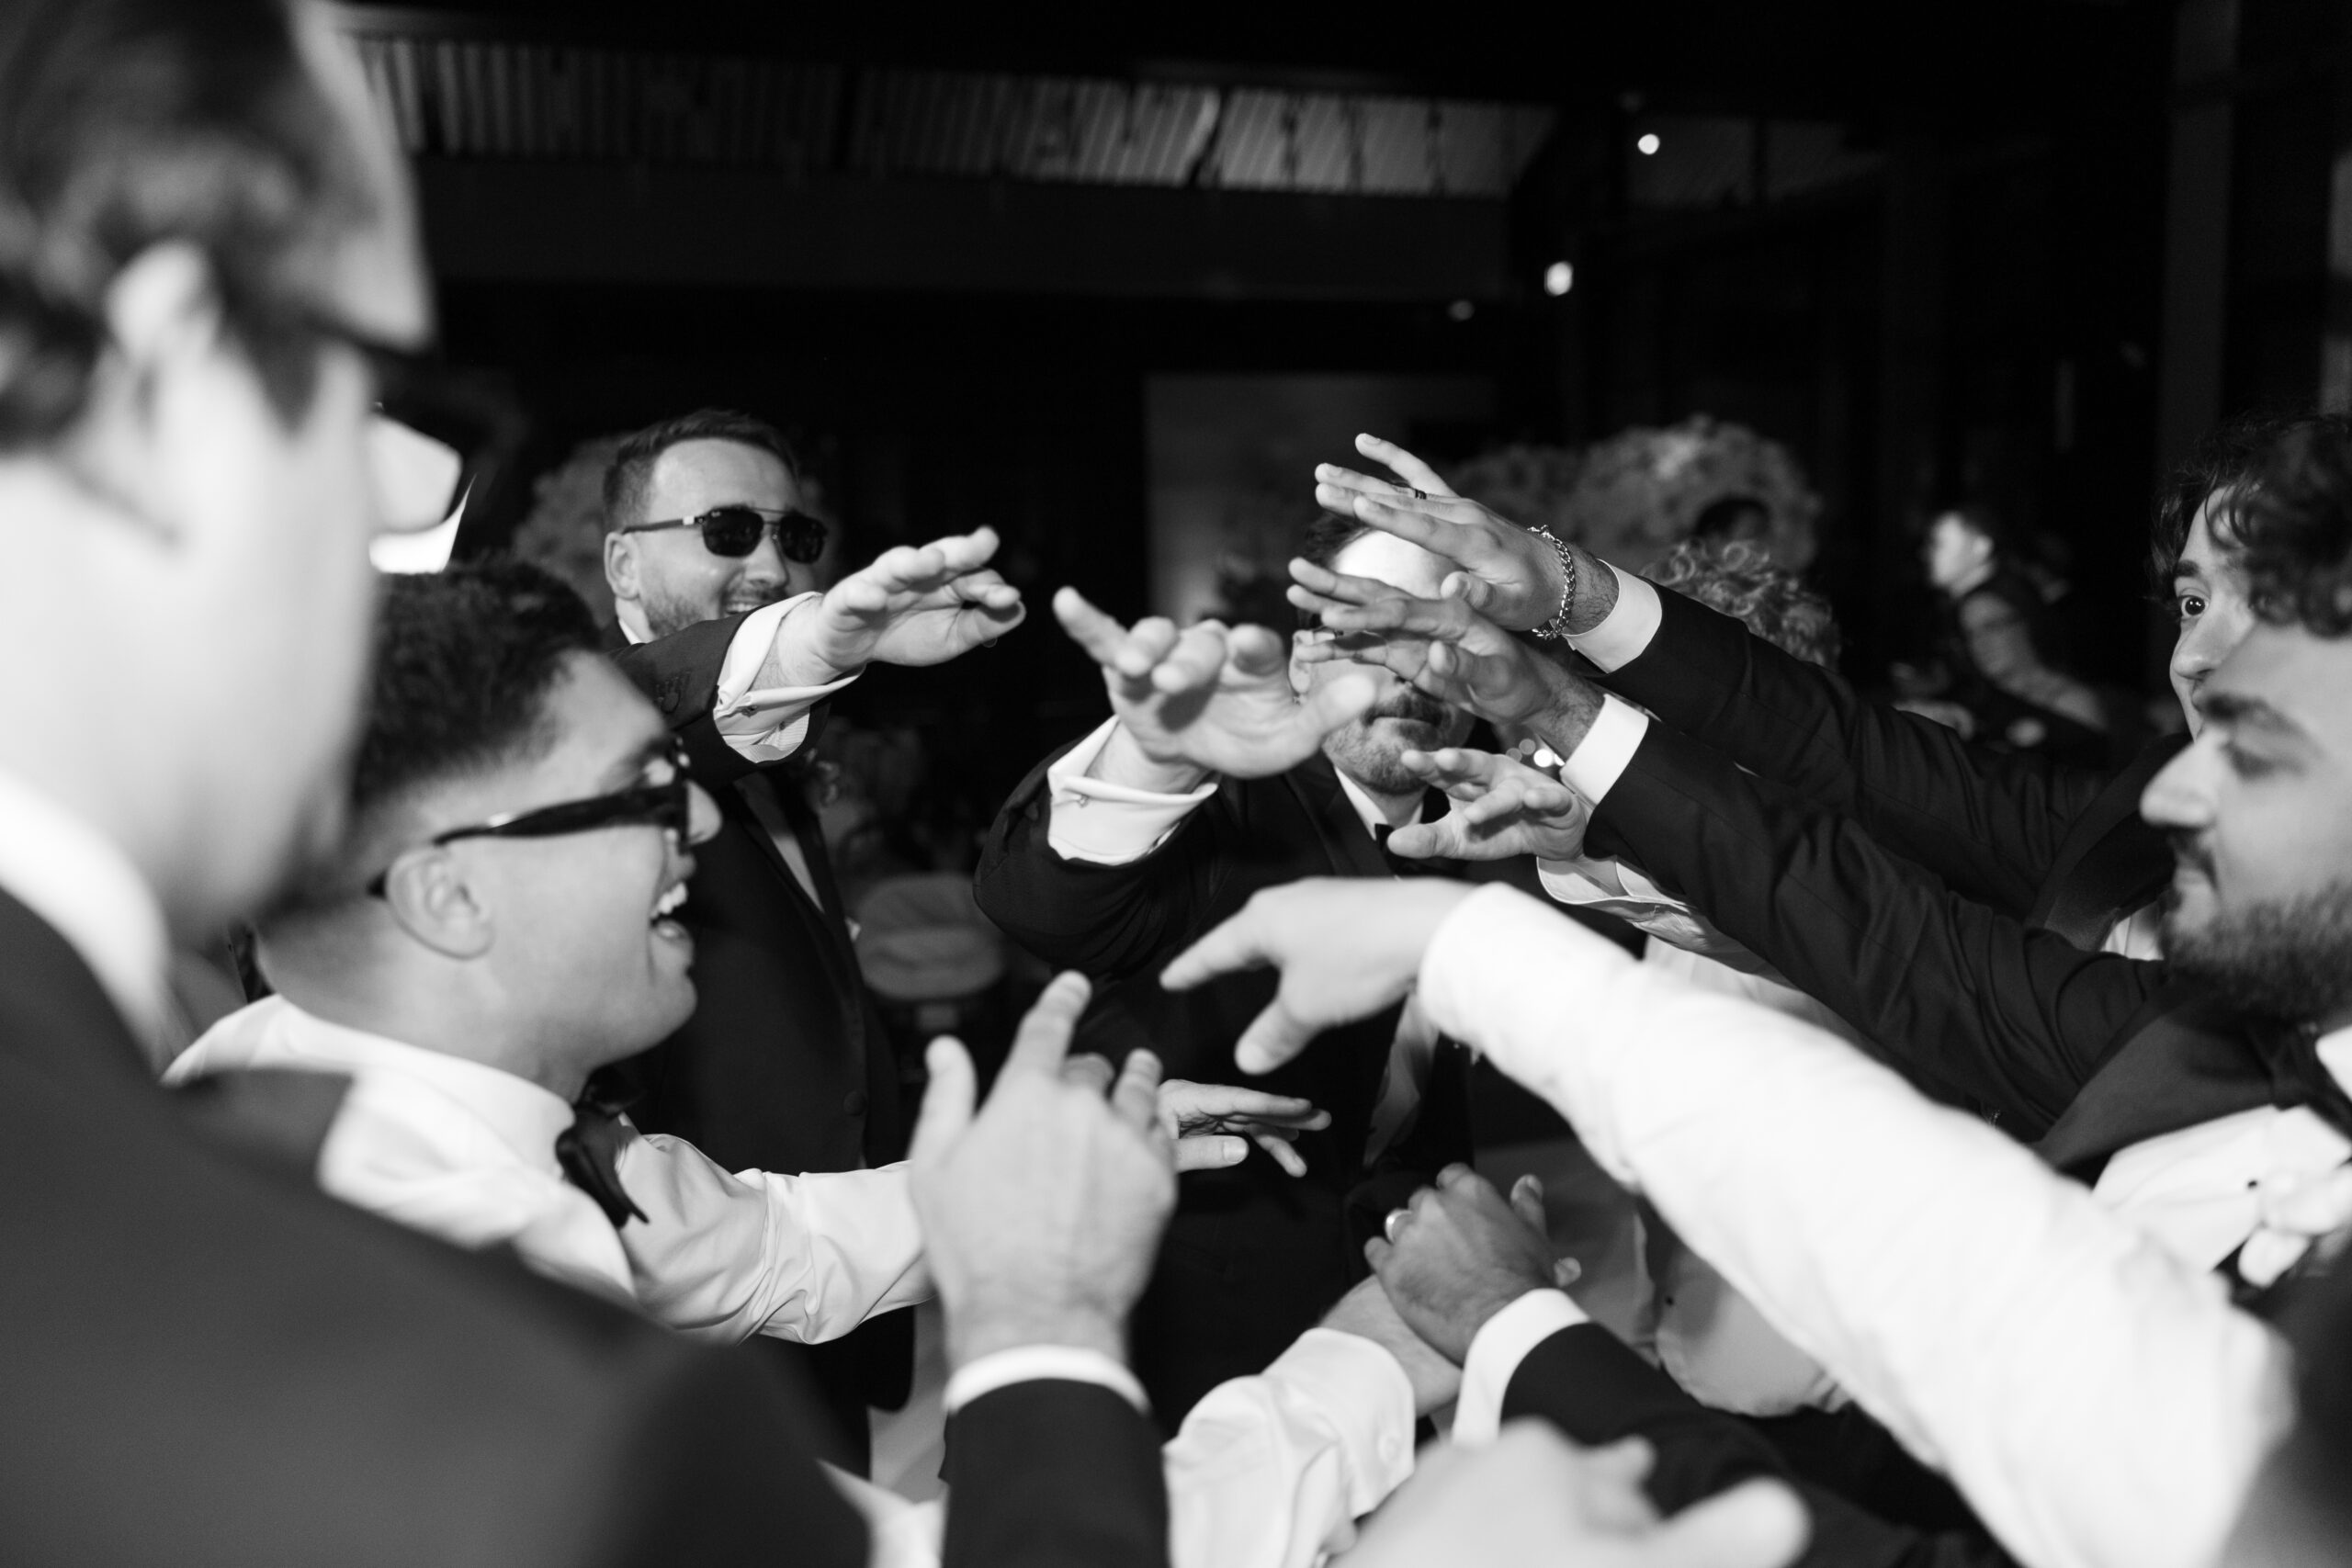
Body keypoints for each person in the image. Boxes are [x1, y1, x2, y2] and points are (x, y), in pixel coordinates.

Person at [0, 2, 1170, 1563]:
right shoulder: (504, 1407)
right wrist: (1046, 1326)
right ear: (174, 366)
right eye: (374, 394)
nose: (400, 492)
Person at [171, 559, 1464, 1568]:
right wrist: (1358, 1367)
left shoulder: (295, 1091)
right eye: (641, 790)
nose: (697, 821)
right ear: (449, 895)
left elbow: (757, 1246)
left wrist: (1057, 1154)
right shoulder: (451, 1303)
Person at [975, 511, 1571, 1422]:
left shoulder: (1476, 826)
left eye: (1436, 633)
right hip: (1156, 1365)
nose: (1410, 669)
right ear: (1300, 663)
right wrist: (1151, 756)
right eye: (1371, 631)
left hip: (1368, 1358)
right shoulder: (1222, 807)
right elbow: (1044, 901)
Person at [598, 407, 1027, 1468]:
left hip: (829, 1291)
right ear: (622, 563)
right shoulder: (587, 725)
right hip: (678, 1336)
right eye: (726, 530)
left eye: (791, 537)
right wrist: (823, 640)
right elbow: (647, 702)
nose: (767, 564)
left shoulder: (779, 744)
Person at [1917, 503, 2110, 761]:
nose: (1981, 643)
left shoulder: (2073, 703)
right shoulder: (1977, 702)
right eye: (1972, 634)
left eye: (1992, 627)